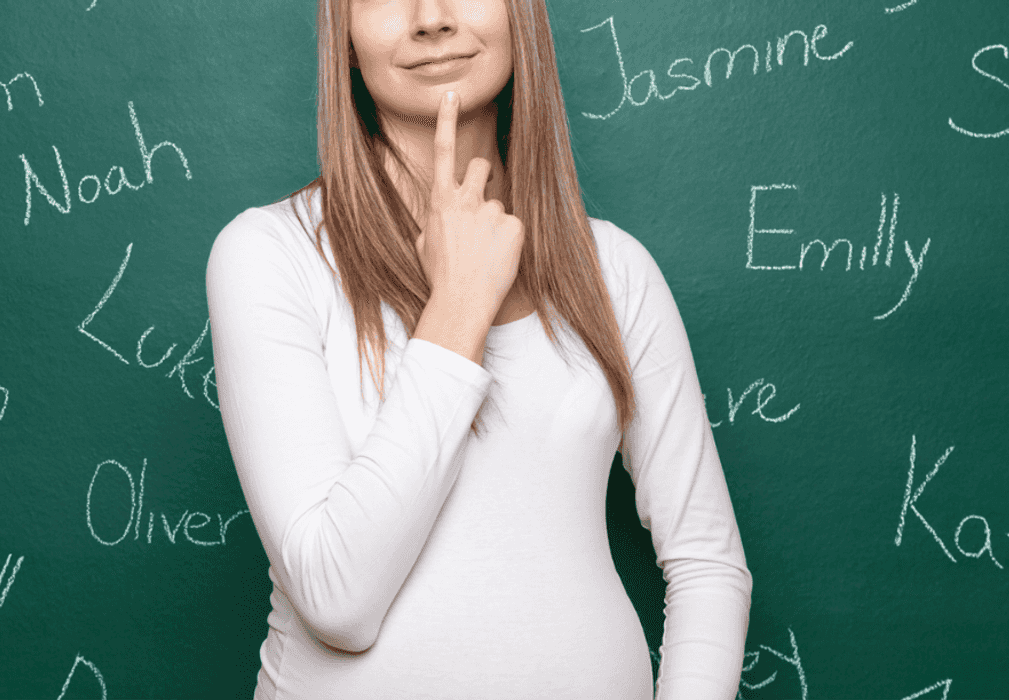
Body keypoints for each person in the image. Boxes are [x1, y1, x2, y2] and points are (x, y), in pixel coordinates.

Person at [205, 0, 752, 697]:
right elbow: (336, 601)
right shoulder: (269, 254)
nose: (430, 17)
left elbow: (706, 563)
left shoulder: (615, 269)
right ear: (341, 39)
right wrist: (459, 303)